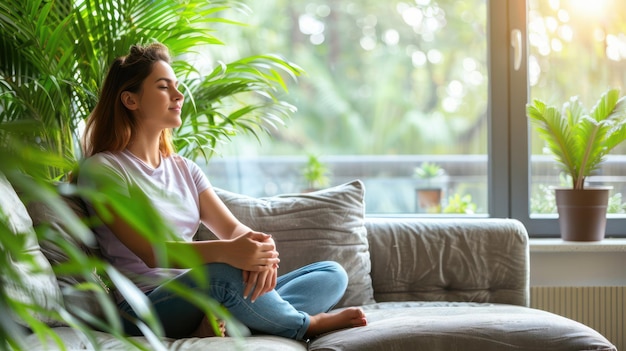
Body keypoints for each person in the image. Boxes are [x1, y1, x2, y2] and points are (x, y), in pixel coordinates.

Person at [77, 42, 367, 340]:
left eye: (176, 86)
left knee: (331, 274)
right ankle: (304, 324)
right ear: (130, 100)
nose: (178, 96)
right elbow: (152, 252)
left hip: (203, 292)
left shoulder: (185, 169)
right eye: (164, 87)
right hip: (144, 305)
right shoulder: (104, 170)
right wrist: (229, 254)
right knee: (223, 274)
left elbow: (234, 230)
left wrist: (262, 252)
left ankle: (227, 319)